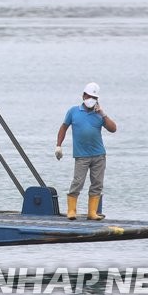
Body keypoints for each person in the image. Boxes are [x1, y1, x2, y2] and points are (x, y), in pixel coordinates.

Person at [55, 82, 118, 220]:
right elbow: (63, 127)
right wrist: (58, 145)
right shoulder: (73, 111)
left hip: (99, 155)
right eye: (89, 96)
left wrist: (103, 114)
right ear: (83, 95)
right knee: (77, 182)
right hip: (81, 155)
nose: (91, 100)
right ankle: (71, 210)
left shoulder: (99, 115)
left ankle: (92, 213)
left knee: (97, 183)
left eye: (94, 98)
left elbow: (113, 129)